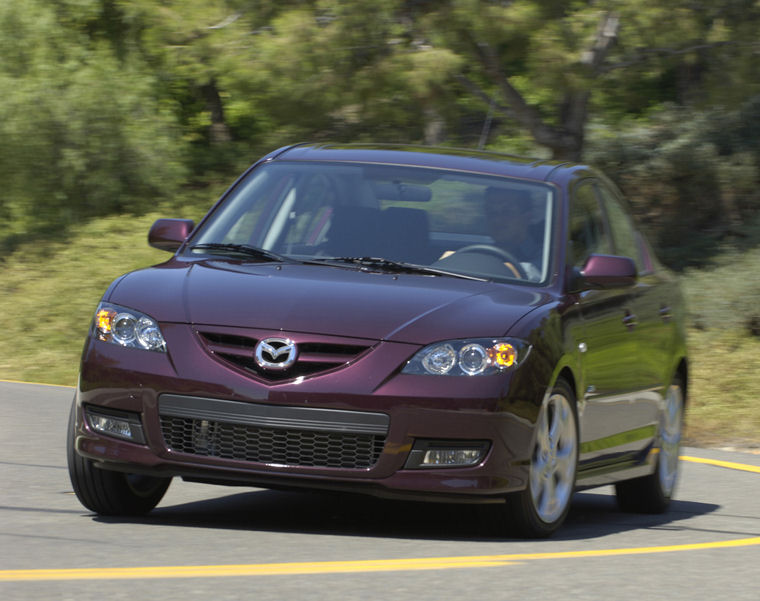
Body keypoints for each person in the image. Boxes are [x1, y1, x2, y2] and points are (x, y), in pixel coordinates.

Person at [483, 187, 542, 279]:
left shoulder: (544, 261)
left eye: (507, 212)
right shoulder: (481, 254)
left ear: (527, 217)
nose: (496, 220)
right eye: (491, 212)